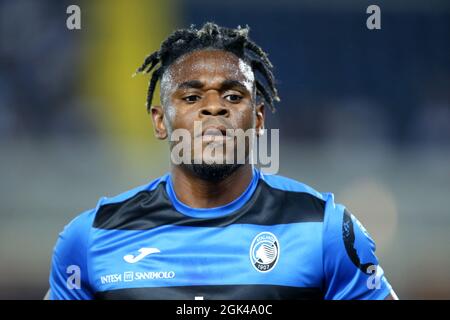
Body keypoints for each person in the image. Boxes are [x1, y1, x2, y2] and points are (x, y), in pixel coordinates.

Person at [46, 22, 397, 300]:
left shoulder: (325, 230)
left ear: (258, 119)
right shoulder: (93, 237)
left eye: (233, 95)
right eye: (192, 96)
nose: (214, 107)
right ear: (159, 121)